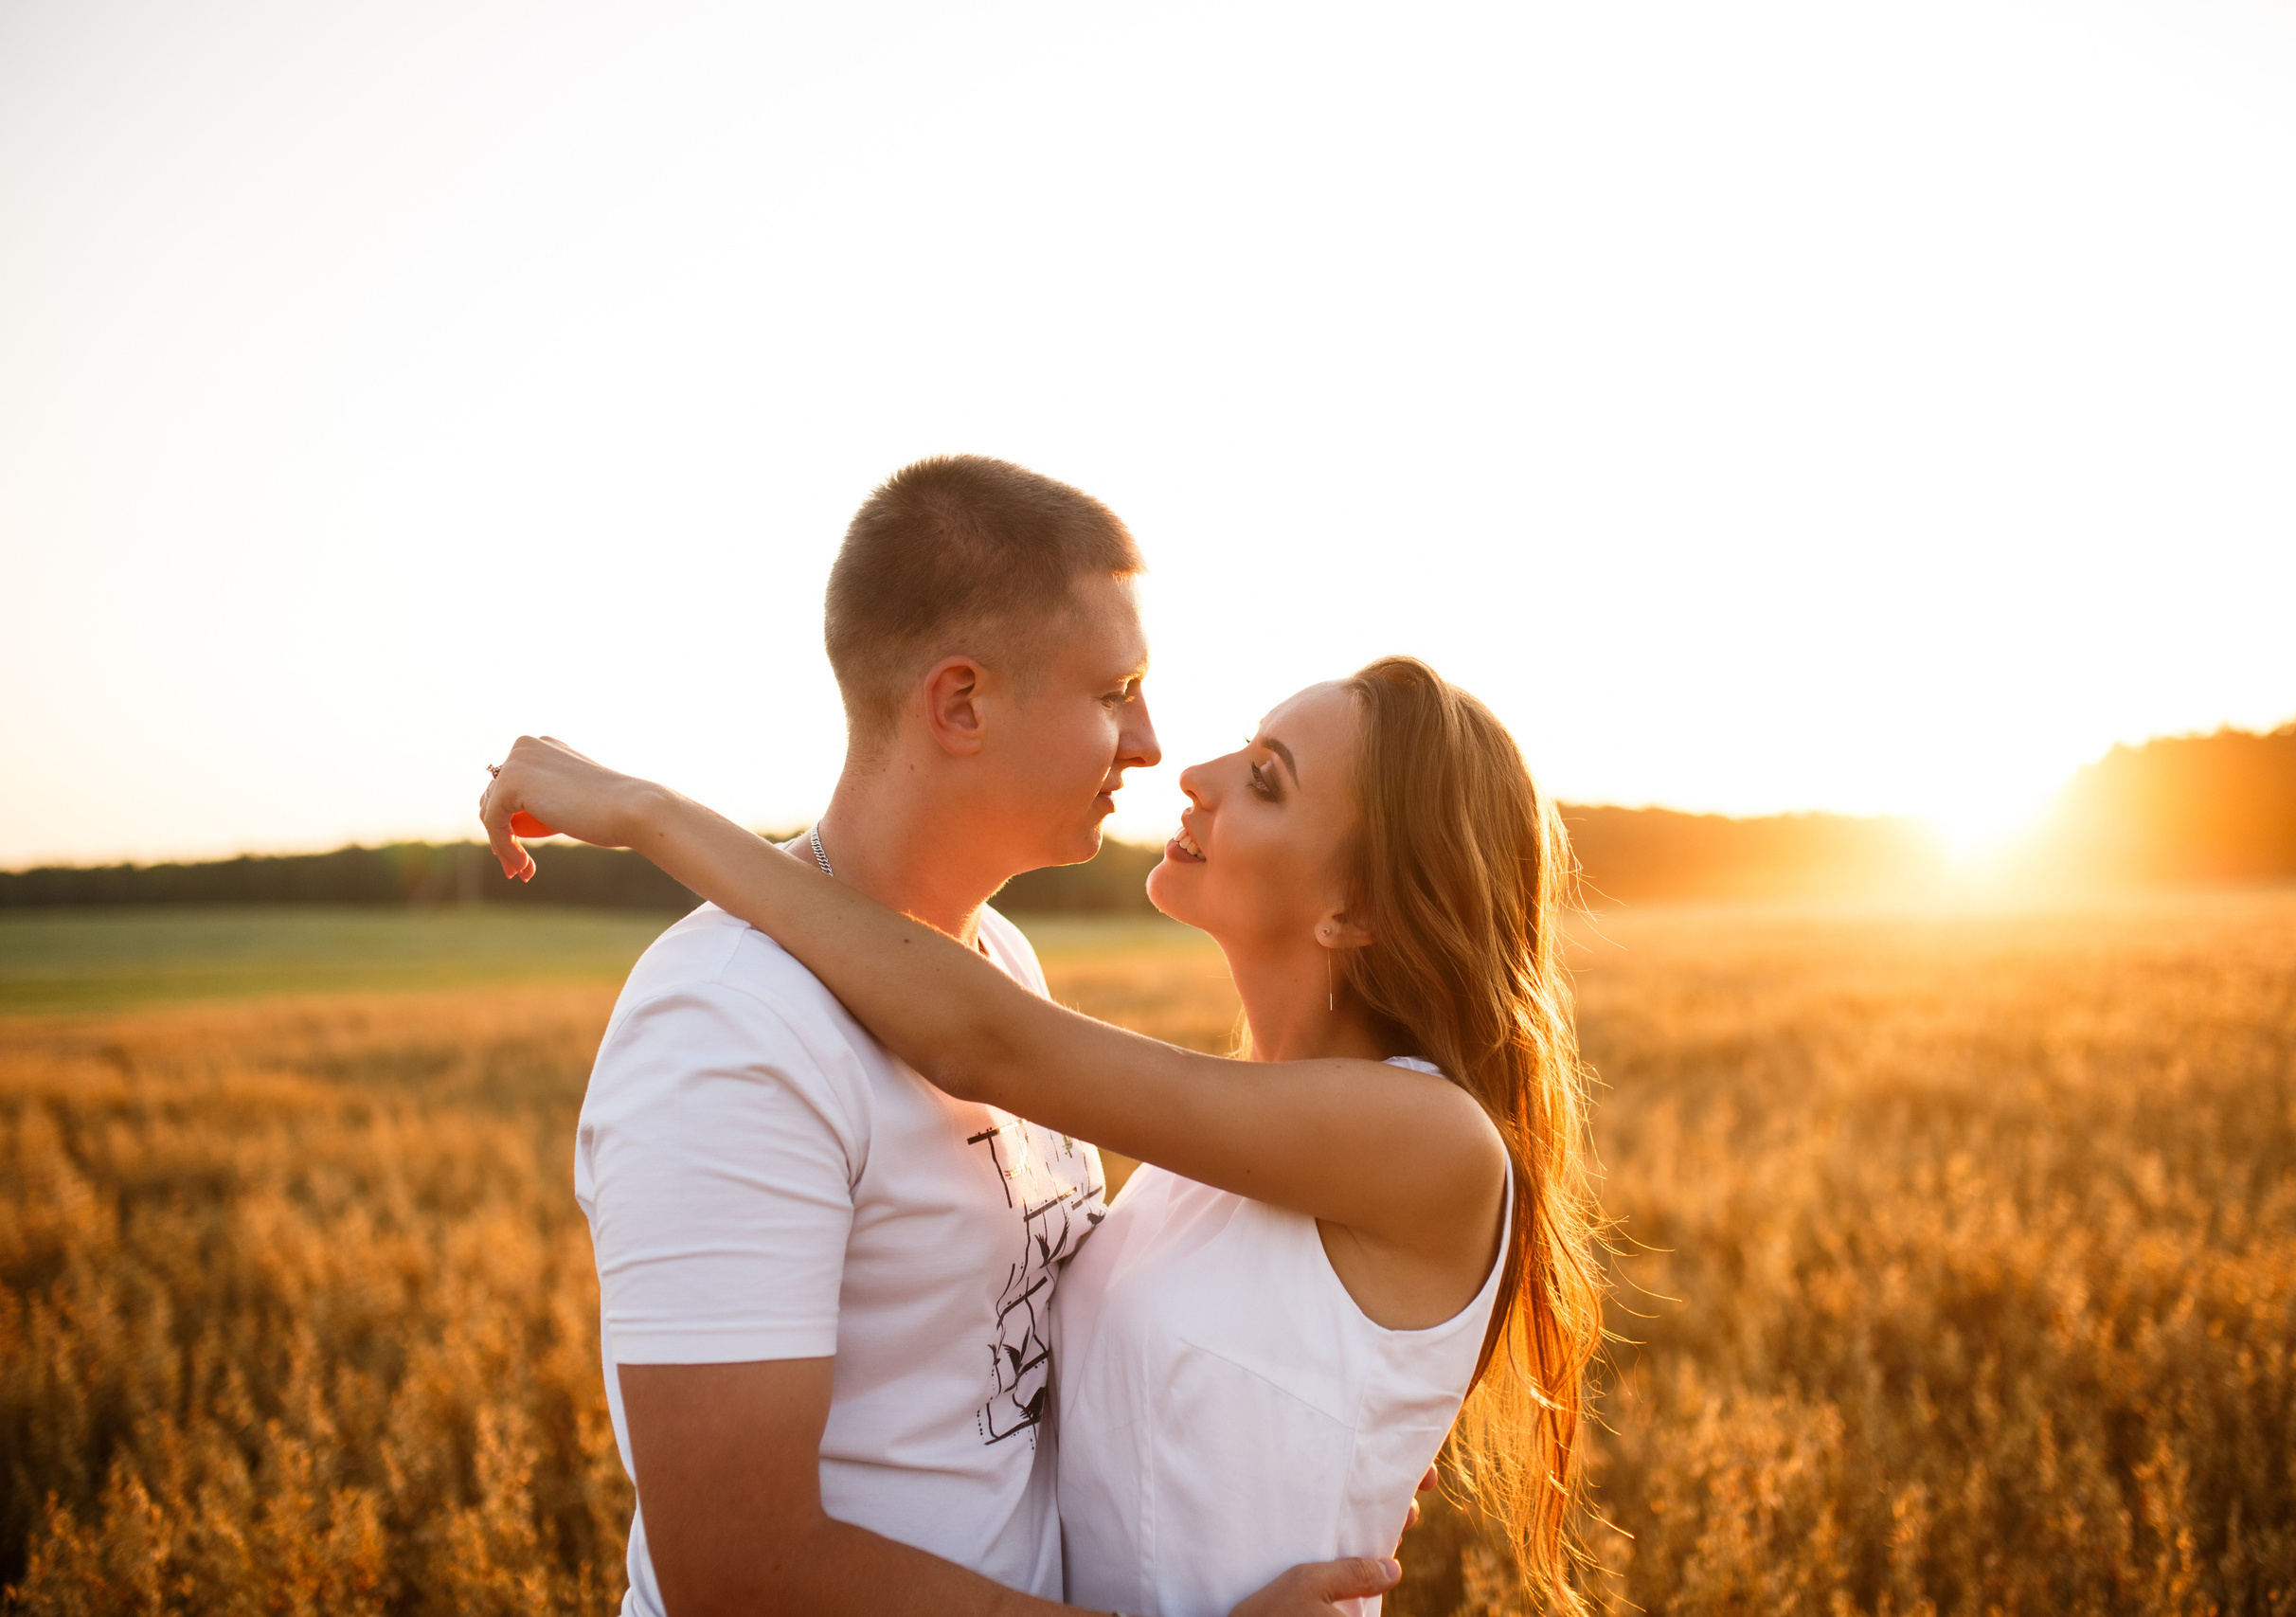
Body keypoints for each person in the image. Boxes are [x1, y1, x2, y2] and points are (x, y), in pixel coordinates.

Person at [484, 653, 1605, 1615]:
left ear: (1353, 911)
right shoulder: (1215, 1148)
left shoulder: (1427, 1138)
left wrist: (646, 815)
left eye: (1264, 782)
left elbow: (988, 1045)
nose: (1194, 775)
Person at [551, 455, 1396, 1617]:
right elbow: (737, 1574)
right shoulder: (726, 1025)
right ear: (959, 704)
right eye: (1114, 691)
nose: (1149, 743)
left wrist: (1295, 1446)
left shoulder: (996, 963)